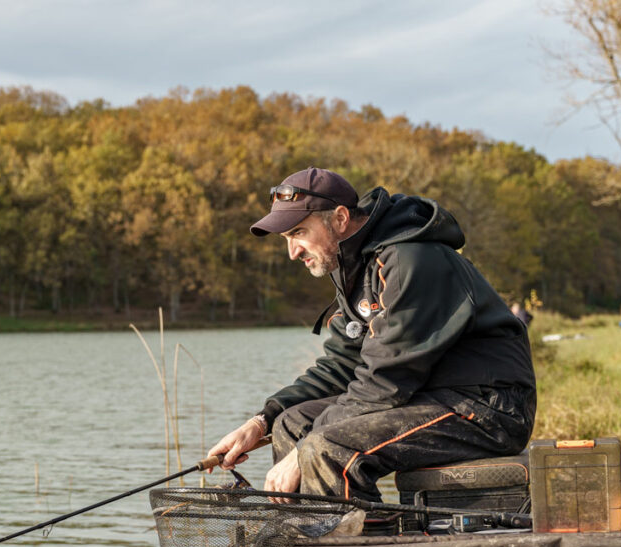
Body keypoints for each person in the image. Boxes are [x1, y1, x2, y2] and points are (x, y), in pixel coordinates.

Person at [208, 168, 536, 503]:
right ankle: (308, 535)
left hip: (487, 409)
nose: (293, 252)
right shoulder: (356, 267)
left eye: (299, 233)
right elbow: (341, 365)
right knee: (293, 423)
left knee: (326, 447)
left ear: (339, 218)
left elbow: (385, 381)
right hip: (428, 397)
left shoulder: (412, 259)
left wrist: (306, 449)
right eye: (287, 239)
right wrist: (261, 422)